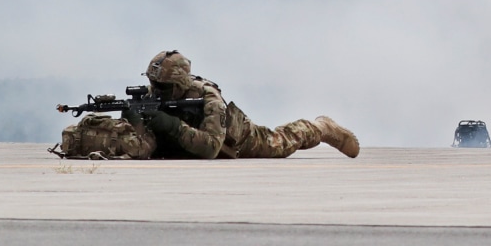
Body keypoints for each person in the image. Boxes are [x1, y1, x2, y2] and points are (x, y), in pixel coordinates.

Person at [140, 50, 361, 159]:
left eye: (162, 86)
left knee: (281, 142)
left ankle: (321, 128)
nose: (156, 90)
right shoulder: (155, 94)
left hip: (239, 139)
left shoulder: (209, 98)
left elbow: (210, 148)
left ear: (179, 84)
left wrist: (172, 126)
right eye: (153, 83)